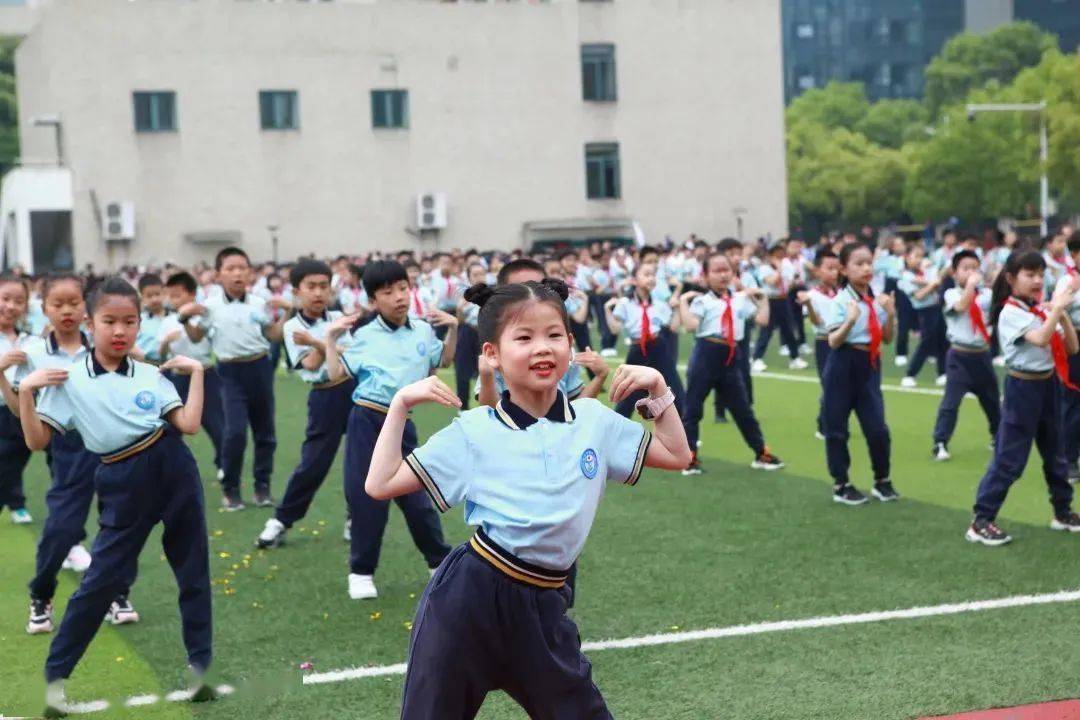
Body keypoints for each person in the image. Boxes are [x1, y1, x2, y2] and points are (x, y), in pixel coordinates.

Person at [364, 278, 692, 719]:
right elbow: (380, 484)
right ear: (492, 355)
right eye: (524, 337)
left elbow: (677, 454)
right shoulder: (474, 430)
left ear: (570, 344)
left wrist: (658, 391)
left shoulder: (594, 421)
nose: (542, 348)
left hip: (544, 605)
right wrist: (400, 405)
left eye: (554, 335)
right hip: (468, 602)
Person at [18, 277, 214, 715]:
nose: (120, 331)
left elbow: (189, 425)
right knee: (101, 581)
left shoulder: (150, 373)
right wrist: (27, 393)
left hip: (174, 469)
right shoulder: (68, 380)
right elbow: (36, 441)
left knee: (193, 571)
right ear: (91, 323)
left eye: (129, 321)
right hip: (121, 479)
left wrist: (197, 373)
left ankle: (200, 670)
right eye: (109, 321)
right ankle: (55, 681)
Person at [0, 274, 138, 635]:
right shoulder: (33, 353)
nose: (66, 311)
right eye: (57, 304)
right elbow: (18, 410)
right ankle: (41, 594)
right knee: (61, 528)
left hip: (114, 442)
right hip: (69, 445)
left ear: (87, 309)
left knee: (119, 524)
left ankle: (116, 594)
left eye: (74, 303)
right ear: (43, 308)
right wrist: (6, 379)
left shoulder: (105, 341)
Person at [323, 260, 454, 600]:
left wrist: (453, 328)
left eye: (402, 288)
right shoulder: (364, 336)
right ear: (372, 300)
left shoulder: (424, 331)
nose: (398, 297)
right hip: (368, 420)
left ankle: (438, 562)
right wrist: (329, 339)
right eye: (387, 292)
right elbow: (336, 375)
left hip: (403, 425)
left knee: (418, 499)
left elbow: (444, 361)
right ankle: (361, 572)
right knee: (367, 499)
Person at [967, 251, 1080, 546]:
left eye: (1040, 275)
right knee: (1010, 458)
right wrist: (1056, 308)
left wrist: (1062, 314)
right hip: (1022, 388)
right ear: (1010, 279)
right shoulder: (1011, 312)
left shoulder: (1039, 310)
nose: (1037, 280)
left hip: (1048, 385)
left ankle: (1062, 511)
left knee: (1056, 453)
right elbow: (1041, 339)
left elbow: (1071, 347)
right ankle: (981, 520)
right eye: (1029, 275)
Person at [255, 260, 356, 549]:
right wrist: (327, 343)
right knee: (313, 464)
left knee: (361, 460)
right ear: (297, 291)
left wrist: (317, 341)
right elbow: (311, 364)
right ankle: (280, 521)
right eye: (311, 287)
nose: (318, 293)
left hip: (354, 390)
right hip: (324, 396)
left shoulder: (338, 316)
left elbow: (350, 355)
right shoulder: (291, 327)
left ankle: (355, 517)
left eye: (323, 286)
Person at [187, 247, 289, 510]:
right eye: (230, 269)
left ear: (250, 273)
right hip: (229, 373)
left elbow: (274, 336)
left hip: (260, 368)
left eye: (242, 268)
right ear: (219, 274)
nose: (237, 273)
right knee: (234, 433)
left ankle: (262, 486)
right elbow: (197, 337)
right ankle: (230, 488)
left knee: (265, 432)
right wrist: (186, 318)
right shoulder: (210, 307)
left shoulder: (259, 304)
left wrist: (287, 314)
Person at [678, 253, 784, 475]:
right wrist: (682, 303)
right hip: (706, 355)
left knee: (743, 410)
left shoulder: (740, 300)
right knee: (693, 409)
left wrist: (763, 299)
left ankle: (761, 453)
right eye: (716, 270)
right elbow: (690, 326)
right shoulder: (702, 301)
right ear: (705, 276)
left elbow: (762, 320)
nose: (723, 274)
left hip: (731, 357)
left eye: (726, 269)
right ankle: (689, 458)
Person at [822, 243, 899, 506]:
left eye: (869, 262)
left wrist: (890, 314)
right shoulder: (841, 301)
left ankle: (882, 480)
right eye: (859, 263)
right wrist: (850, 321)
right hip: (843, 363)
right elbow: (833, 341)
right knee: (837, 428)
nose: (867, 268)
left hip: (869, 365)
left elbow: (888, 338)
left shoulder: (877, 301)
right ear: (844, 269)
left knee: (878, 428)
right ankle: (841, 483)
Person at [930, 251, 1001, 461]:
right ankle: (940, 442)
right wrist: (970, 285)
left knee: (992, 401)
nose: (971, 273)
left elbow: (998, 303)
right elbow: (961, 306)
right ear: (954, 272)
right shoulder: (951, 293)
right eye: (966, 268)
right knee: (951, 403)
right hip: (959, 356)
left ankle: (998, 436)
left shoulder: (986, 295)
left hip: (982, 356)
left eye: (975, 268)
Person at [159, 271, 224, 479]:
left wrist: (188, 320)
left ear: (192, 294)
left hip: (205, 375)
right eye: (170, 296)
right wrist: (166, 342)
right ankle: (170, 468)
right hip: (176, 377)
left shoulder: (204, 318)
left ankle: (224, 465)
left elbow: (206, 339)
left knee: (217, 424)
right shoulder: (167, 321)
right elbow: (160, 355)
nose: (173, 300)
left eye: (177, 295)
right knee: (171, 426)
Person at [604, 262, 685, 417]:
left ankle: (686, 439)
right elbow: (615, 329)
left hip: (659, 348)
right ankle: (616, 434)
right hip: (637, 351)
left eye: (653, 275)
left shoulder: (660, 304)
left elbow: (674, 327)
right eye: (646, 275)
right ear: (634, 280)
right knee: (626, 400)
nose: (651, 278)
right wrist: (607, 310)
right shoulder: (625, 304)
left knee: (678, 395)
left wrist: (676, 308)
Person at [0, 273, 33, 524]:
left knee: (12, 466)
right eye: (5, 298)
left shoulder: (28, 339)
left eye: (18, 301)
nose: (11, 306)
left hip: (21, 412)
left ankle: (16, 502)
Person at [797, 249, 840, 439]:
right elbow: (816, 322)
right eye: (829, 268)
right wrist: (808, 305)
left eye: (836, 268)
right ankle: (824, 424)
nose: (833, 272)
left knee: (842, 384)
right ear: (817, 271)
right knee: (829, 384)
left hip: (842, 340)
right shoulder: (812, 295)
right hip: (824, 341)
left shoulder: (843, 293)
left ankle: (835, 421)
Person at [751, 240, 807, 372]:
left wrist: (791, 281)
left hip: (783, 300)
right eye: (776, 255)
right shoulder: (764, 268)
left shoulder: (786, 267)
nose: (780, 258)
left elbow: (789, 284)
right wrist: (780, 269)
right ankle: (756, 358)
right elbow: (772, 282)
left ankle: (795, 358)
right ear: (770, 256)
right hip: (769, 301)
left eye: (781, 255)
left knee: (789, 330)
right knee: (766, 331)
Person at [898, 244, 947, 388]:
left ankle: (942, 373)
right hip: (924, 311)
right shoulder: (905, 276)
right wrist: (931, 284)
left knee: (943, 341)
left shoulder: (924, 272)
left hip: (936, 308)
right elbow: (919, 296)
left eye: (921, 256)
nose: (919, 260)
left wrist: (931, 280)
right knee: (926, 342)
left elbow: (937, 282)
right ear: (907, 258)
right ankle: (910, 374)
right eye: (915, 256)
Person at [132, 274, 171, 365]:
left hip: (171, 366)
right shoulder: (138, 320)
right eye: (149, 296)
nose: (154, 299)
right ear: (142, 297)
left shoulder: (174, 317)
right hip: (145, 364)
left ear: (164, 293)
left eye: (157, 294)